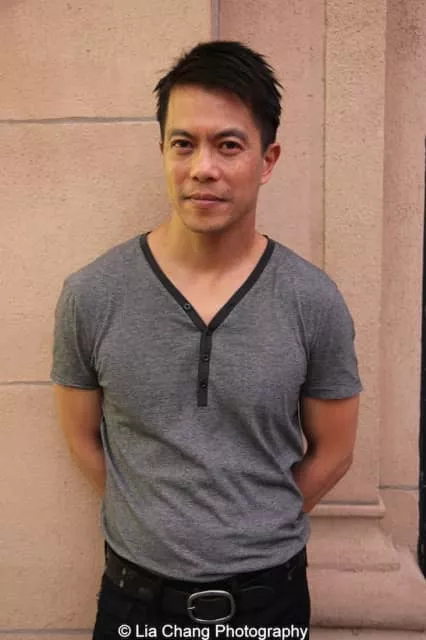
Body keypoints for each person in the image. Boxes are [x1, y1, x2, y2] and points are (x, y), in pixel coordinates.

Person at [51, 40, 362, 640]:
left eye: (229, 145)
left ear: (267, 159)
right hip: (134, 604)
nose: (203, 168)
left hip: (268, 605)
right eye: (183, 144)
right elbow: (82, 437)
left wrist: (256, 525)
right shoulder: (92, 294)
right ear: (162, 152)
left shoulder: (312, 300)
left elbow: (336, 451)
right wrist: (153, 522)